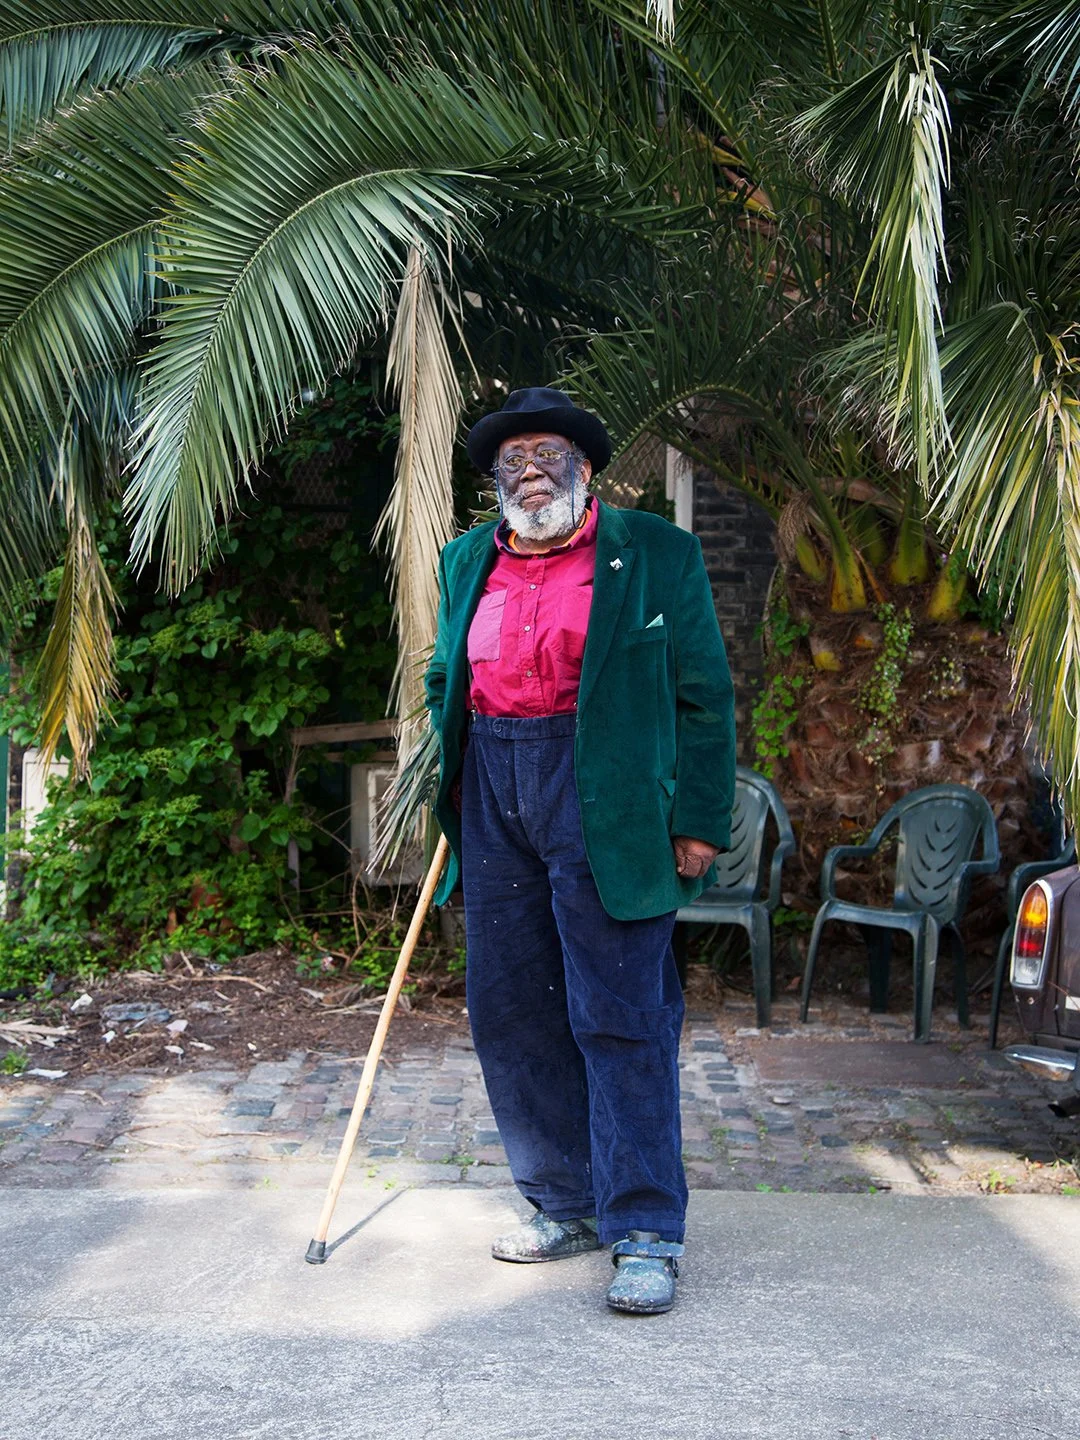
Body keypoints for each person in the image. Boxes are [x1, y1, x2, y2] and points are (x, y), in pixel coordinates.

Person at [425, 387, 735, 1315]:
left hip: (607, 796)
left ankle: (645, 1229)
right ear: (494, 483)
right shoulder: (463, 559)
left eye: (547, 454)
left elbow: (704, 695)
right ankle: (565, 1202)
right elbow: (447, 669)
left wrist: (698, 821)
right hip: (494, 788)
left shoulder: (656, 554)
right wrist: (443, 780)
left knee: (621, 1012)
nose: (529, 470)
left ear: (585, 469)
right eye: (511, 458)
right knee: (511, 1009)